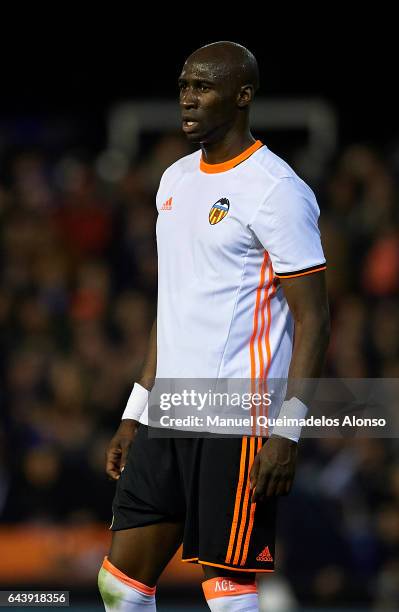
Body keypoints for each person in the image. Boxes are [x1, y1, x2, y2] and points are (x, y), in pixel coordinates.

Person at [98, 41, 330, 612]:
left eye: (203, 86)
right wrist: (135, 411)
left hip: (239, 417)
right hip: (169, 413)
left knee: (226, 594)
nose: (188, 98)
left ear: (243, 95)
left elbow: (315, 317)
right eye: (183, 85)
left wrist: (288, 432)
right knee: (119, 586)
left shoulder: (278, 191)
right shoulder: (173, 180)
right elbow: (171, 303)